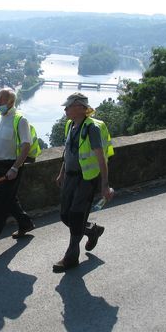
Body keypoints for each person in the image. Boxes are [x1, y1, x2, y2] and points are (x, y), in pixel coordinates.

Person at [54, 92, 114, 272]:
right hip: (71, 177)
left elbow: (101, 158)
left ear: (80, 107)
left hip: (87, 179)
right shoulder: (70, 125)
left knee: (76, 215)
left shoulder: (92, 128)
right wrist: (61, 173)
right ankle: (92, 230)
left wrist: (104, 184)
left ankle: (71, 257)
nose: (65, 109)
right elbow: (68, 152)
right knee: (65, 215)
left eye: (69, 106)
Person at [0, 88, 35, 255]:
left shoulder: (20, 120)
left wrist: (15, 168)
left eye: (1, 99)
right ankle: (25, 223)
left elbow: (26, 146)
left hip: (11, 166)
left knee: (1, 205)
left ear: (10, 102)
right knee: (9, 199)